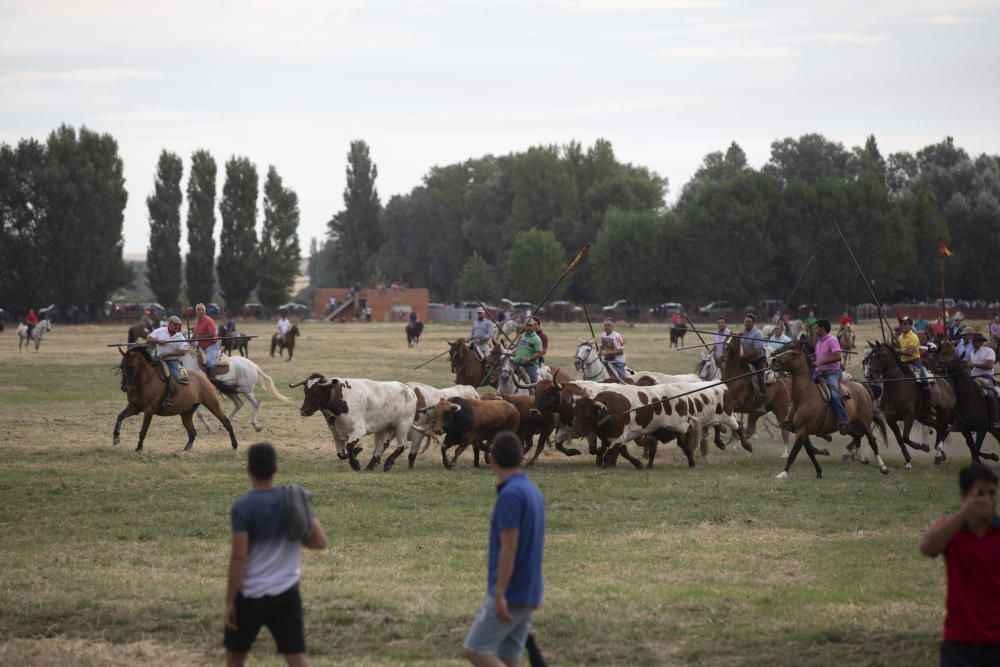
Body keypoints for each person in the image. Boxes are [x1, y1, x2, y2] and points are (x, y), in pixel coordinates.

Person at [225, 443, 327, 667]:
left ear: (249, 469)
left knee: (235, 657)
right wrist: (303, 510)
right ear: (276, 468)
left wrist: (229, 601)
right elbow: (319, 542)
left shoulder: (242, 507)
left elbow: (239, 557)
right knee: (296, 657)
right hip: (286, 594)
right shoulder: (291, 500)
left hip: (249, 596)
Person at [463, 431, 545, 667]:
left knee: (475, 650)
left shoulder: (510, 495)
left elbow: (509, 547)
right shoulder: (532, 491)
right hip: (530, 588)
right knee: (509, 658)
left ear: (492, 459)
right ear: (521, 457)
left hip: (511, 591)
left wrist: (499, 594)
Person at [919, 464, 1000, 667]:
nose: (988, 500)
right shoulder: (952, 532)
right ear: (964, 496)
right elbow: (927, 547)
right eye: (980, 493)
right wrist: (964, 514)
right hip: (959, 642)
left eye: (992, 493)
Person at [813, 319, 850, 434]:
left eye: (817, 328)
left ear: (823, 329)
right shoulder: (818, 342)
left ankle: (843, 420)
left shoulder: (832, 340)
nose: (815, 330)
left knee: (833, 395)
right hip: (819, 372)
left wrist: (821, 362)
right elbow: (817, 358)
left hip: (832, 372)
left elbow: (838, 357)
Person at [145, 315, 189, 408]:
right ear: (170, 324)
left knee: (176, 377)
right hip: (158, 358)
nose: (177, 327)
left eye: (178, 325)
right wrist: (158, 341)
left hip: (172, 361)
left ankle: (169, 397)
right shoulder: (160, 331)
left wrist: (169, 354)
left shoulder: (180, 337)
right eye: (175, 325)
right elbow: (148, 339)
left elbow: (183, 351)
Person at [968, 332, 1000, 430]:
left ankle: (996, 420)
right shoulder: (972, 352)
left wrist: (974, 365)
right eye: (973, 342)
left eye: (975, 341)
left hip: (986, 377)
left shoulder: (989, 351)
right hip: (973, 377)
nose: (973, 343)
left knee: (990, 395)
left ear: (981, 342)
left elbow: (990, 365)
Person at [739, 313, 767, 412]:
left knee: (760, 378)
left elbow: (756, 351)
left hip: (758, 360)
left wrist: (742, 357)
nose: (747, 323)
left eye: (749, 322)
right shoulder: (743, 332)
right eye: (745, 321)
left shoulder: (757, 333)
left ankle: (763, 402)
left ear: (753, 323)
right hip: (746, 359)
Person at [896, 316, 931, 394]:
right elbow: (897, 346)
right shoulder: (900, 337)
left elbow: (909, 353)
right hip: (902, 362)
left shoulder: (914, 337)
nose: (902, 325)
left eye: (905, 324)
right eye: (902, 324)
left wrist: (897, 350)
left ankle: (927, 394)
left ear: (911, 326)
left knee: (923, 379)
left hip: (914, 362)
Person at [192, 303, 220, 378]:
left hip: (211, 345)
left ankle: (213, 381)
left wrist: (200, 337)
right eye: (198, 310)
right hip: (201, 347)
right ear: (196, 311)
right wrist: (188, 341)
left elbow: (212, 334)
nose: (200, 311)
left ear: (205, 311)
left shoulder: (209, 321)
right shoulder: (196, 321)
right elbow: (195, 334)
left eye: (202, 310)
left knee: (210, 362)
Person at [513, 318, 544, 384]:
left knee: (533, 382)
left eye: (531, 326)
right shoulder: (521, 336)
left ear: (533, 327)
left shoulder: (536, 339)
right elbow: (515, 346)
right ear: (524, 326)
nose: (529, 327)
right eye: (527, 325)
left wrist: (528, 358)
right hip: (516, 364)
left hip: (529, 365)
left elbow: (539, 353)